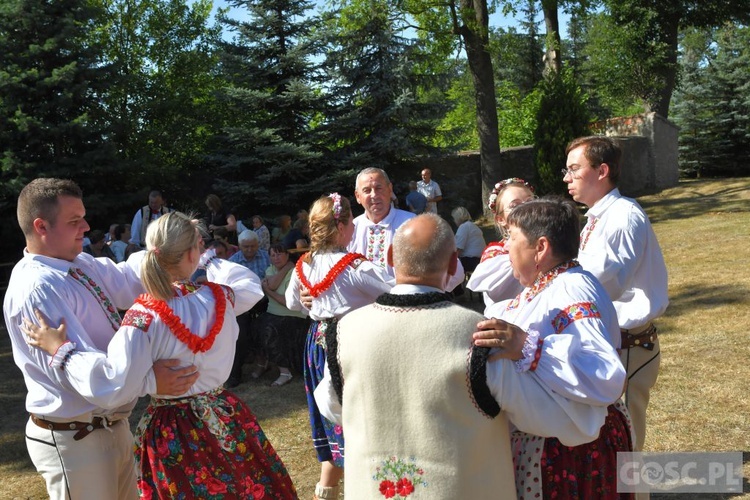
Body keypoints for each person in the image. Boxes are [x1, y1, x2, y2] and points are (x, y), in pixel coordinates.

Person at [313, 213, 616, 499]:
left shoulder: (343, 332)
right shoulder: (481, 336)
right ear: (453, 263)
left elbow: (329, 402)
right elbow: (544, 415)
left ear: (391, 257)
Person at [23, 212, 297, 499]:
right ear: (193, 252)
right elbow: (249, 285)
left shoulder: (143, 316)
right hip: (224, 414)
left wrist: (62, 352)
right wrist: (212, 260)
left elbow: (114, 383)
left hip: (175, 430)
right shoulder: (220, 298)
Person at [3, 178, 197, 500]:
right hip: (75, 438)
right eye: (74, 221)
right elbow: (86, 379)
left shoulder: (80, 263)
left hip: (109, 425)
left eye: (83, 217)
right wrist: (150, 381)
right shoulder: (37, 289)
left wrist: (173, 254)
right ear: (42, 227)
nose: (86, 227)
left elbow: (128, 279)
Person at [481, 197, 631, 499]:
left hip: (574, 454)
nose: (506, 247)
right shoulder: (549, 285)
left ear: (541, 247)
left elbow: (605, 375)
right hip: (560, 444)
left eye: (512, 238)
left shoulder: (571, 288)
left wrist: (529, 348)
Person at [563, 135, 668, 455]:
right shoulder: (599, 215)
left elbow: (601, 287)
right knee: (610, 444)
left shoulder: (622, 216)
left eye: (574, 169)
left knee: (625, 444)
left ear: (602, 170)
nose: (567, 178)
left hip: (627, 344)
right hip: (612, 341)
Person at [286, 193, 394, 500]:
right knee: (358, 415)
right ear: (344, 226)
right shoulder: (354, 266)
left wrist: (310, 301)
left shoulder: (303, 264)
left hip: (315, 345)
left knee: (327, 413)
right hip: (349, 344)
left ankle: (327, 490)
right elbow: (395, 290)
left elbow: (295, 302)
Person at [467, 178, 536, 311]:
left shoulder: (554, 242)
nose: (526, 208)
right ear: (501, 219)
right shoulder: (496, 254)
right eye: (514, 205)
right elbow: (501, 293)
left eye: (530, 201)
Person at [257, 243, 310, 386]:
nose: (276, 258)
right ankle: (263, 364)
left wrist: (267, 290)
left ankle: (285, 372)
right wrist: (286, 267)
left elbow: (287, 301)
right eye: (272, 255)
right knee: (256, 325)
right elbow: (274, 284)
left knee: (272, 329)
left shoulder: (296, 272)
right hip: (273, 312)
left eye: (279, 254)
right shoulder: (271, 269)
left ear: (287, 254)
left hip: (292, 314)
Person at [227, 229, 271, 387]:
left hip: (264, 300)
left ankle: (265, 362)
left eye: (253, 246)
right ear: (239, 246)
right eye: (246, 247)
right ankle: (234, 373)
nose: (250, 249)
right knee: (240, 334)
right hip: (242, 304)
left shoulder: (266, 256)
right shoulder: (233, 261)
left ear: (258, 244)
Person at [450, 206, 485, 273]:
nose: (454, 221)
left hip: (471, 260)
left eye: (454, 218)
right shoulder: (473, 226)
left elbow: (458, 249)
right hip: (480, 259)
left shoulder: (464, 227)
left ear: (458, 218)